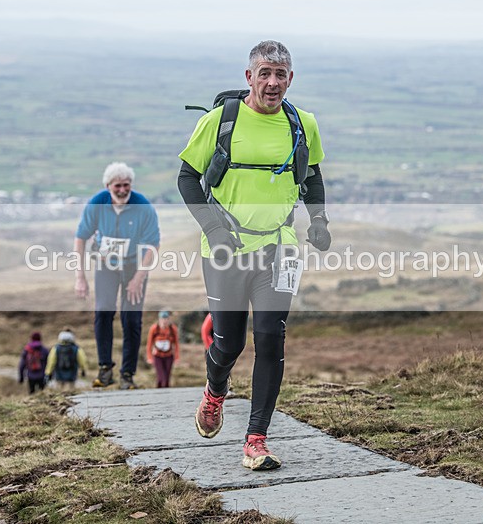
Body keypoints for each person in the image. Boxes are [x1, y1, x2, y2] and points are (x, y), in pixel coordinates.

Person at [178, 40, 331, 471]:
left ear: (290, 79)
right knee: (229, 342)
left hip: (279, 246)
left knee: (270, 337)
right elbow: (188, 178)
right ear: (249, 77)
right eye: (264, 73)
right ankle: (214, 391)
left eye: (280, 74)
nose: (272, 82)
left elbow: (313, 175)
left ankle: (256, 439)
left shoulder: (303, 124)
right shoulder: (219, 122)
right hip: (225, 246)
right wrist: (213, 229)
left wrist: (318, 221)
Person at [73, 162, 160, 390]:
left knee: (131, 318)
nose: (122, 190)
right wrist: (79, 276)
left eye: (127, 186)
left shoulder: (143, 206)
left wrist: (139, 278)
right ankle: (105, 369)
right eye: (117, 186)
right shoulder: (97, 203)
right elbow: (81, 238)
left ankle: (127, 375)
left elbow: (152, 245)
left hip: (134, 265)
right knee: (103, 312)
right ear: (108, 186)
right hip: (106, 265)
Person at [201, 313, 235, 398]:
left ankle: (228, 389)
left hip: (223, 348)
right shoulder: (212, 315)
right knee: (213, 372)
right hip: (213, 348)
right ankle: (212, 393)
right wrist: (211, 349)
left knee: (226, 369)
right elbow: (205, 332)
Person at [146, 310, 180, 388]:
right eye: (162, 319)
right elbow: (149, 344)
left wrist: (177, 357)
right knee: (162, 377)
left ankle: (165, 395)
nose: (164, 321)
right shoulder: (154, 328)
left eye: (166, 319)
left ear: (169, 319)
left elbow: (176, 344)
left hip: (169, 356)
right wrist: (149, 357)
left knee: (167, 378)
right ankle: (160, 393)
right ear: (159, 319)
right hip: (157, 356)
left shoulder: (172, 329)